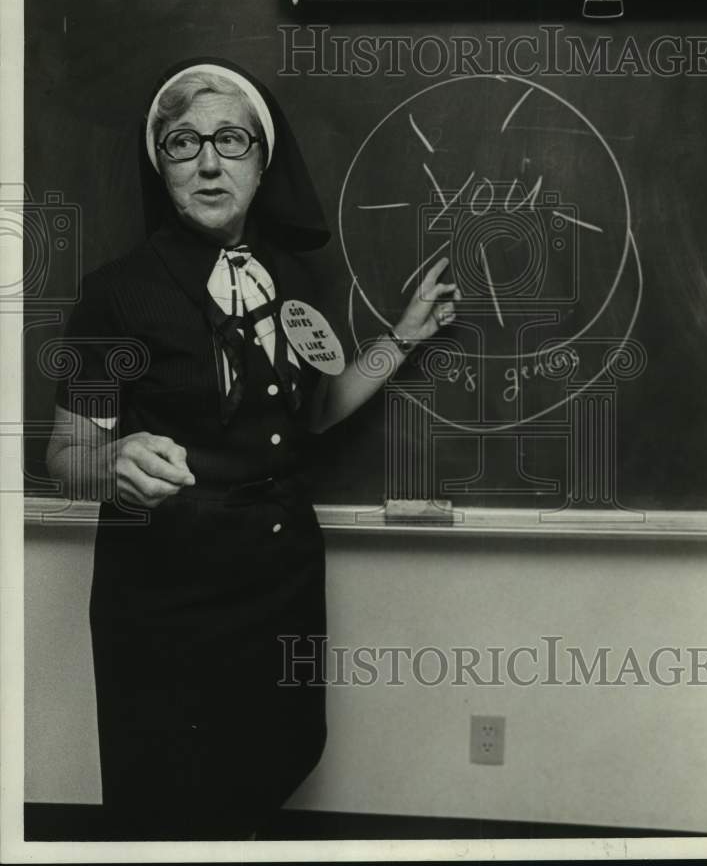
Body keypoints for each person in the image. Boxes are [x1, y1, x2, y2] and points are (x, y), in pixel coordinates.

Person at [45, 58, 460, 841]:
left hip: (280, 578)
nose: (208, 162)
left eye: (230, 140)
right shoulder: (114, 293)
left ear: (262, 163)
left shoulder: (293, 279)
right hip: (166, 598)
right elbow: (66, 453)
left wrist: (400, 340)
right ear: (159, 164)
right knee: (170, 795)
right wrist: (112, 460)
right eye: (182, 142)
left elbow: (315, 411)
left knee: (268, 766)